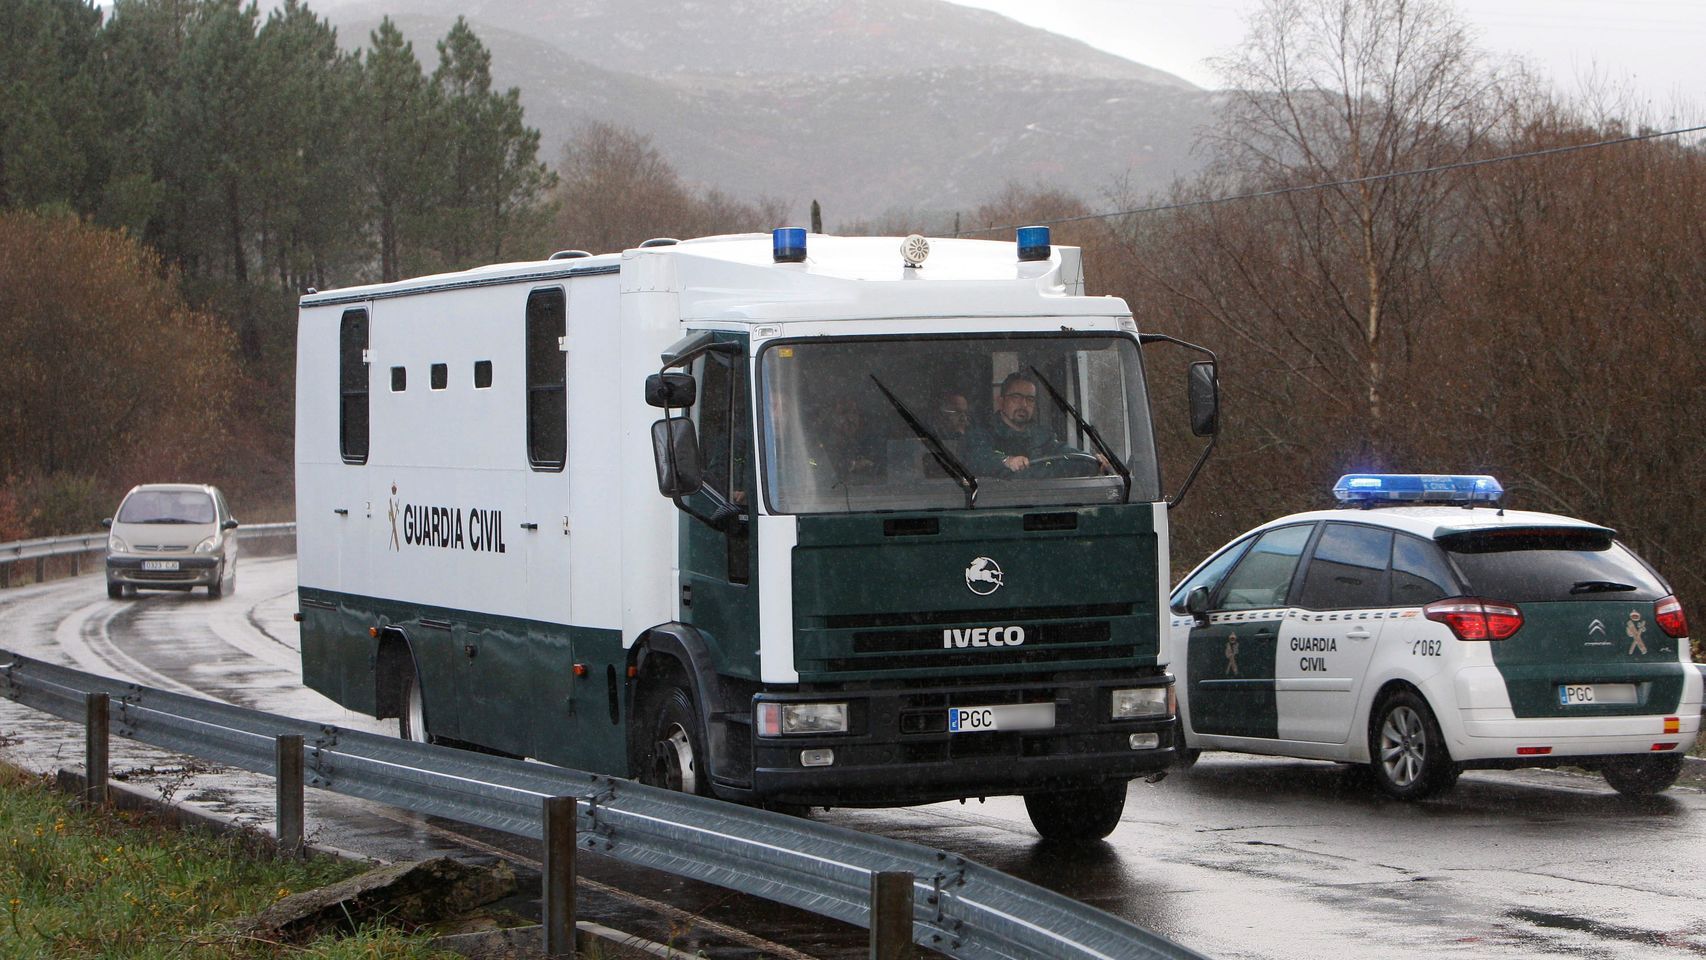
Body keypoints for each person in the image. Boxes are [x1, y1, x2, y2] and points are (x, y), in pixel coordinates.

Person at [967, 372, 1068, 475]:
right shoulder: (980, 434)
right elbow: (977, 459)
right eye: (1016, 397)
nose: (1024, 404)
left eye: (1030, 399)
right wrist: (1007, 461)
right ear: (1001, 402)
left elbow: (1066, 453)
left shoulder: (1044, 436)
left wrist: (1083, 460)